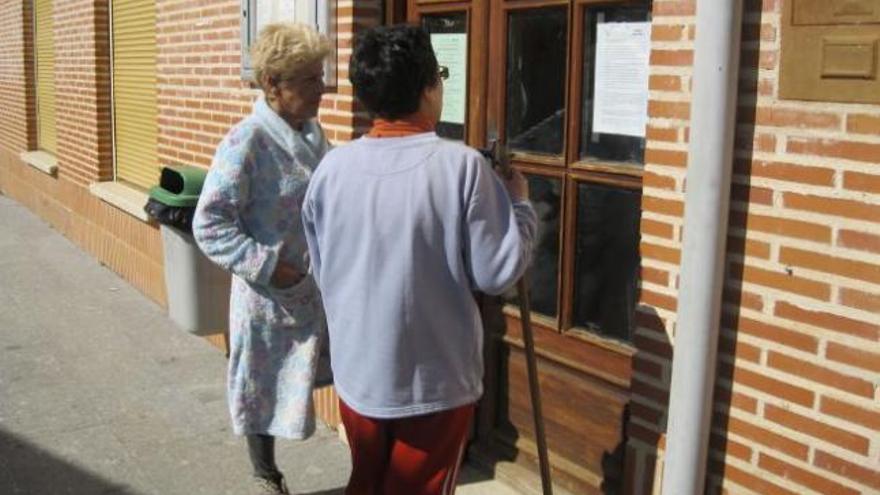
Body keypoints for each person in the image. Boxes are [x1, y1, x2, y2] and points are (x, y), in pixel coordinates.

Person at [302, 24, 537, 495]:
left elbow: (320, 267)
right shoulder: (461, 167)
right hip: (433, 382)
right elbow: (497, 272)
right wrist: (521, 208)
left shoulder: (332, 169)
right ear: (431, 86)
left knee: (367, 483)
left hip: (360, 373)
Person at [192, 22, 331, 495]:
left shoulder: (313, 133)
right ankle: (265, 476)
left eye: (321, 75)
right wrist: (273, 268)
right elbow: (209, 224)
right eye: (310, 79)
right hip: (271, 296)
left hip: (314, 291)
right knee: (261, 387)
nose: (323, 87)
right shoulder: (246, 141)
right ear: (273, 84)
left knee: (321, 375)